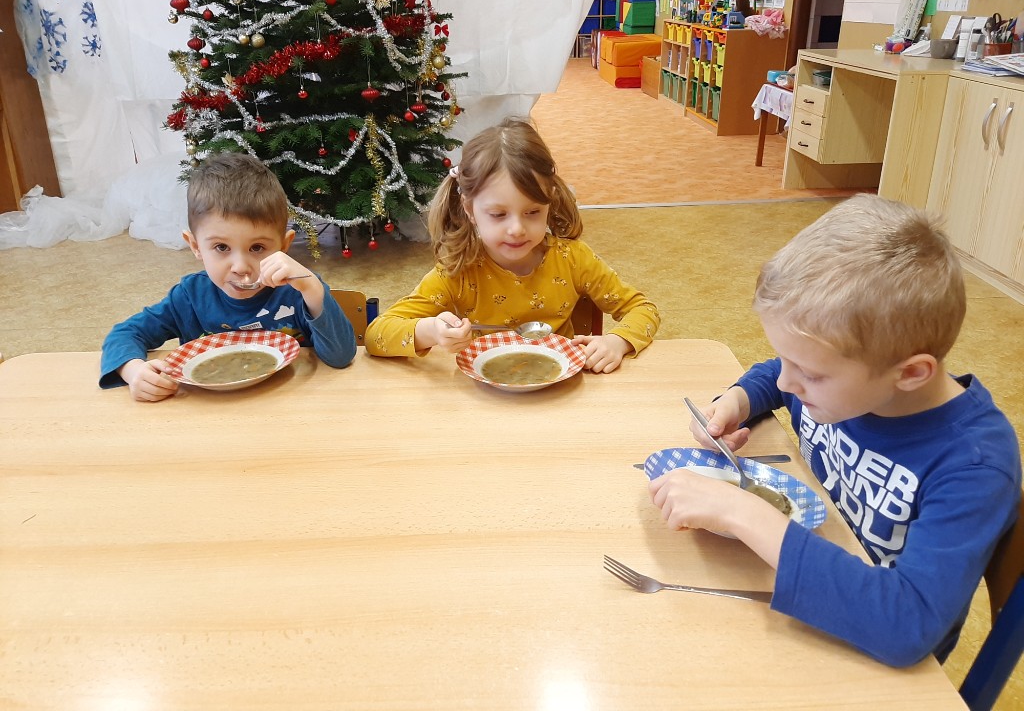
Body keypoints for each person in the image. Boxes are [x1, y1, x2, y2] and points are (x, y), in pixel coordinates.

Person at [649, 194, 1021, 667]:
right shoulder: (854, 386)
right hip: (806, 580)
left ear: (910, 373)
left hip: (872, 650)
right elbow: (776, 378)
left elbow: (907, 624)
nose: (788, 382)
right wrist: (736, 402)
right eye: (787, 360)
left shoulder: (974, 464)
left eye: (809, 373)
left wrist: (742, 512)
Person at [364, 117, 659, 371]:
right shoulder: (458, 269)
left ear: (549, 202)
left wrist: (617, 341)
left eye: (533, 212)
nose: (517, 229)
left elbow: (643, 309)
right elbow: (376, 335)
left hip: (561, 392)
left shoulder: (573, 258)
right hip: (486, 397)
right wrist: (431, 331)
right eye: (498, 214)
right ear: (470, 209)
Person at [100, 152, 357, 401]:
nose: (240, 267)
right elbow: (124, 334)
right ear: (195, 246)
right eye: (221, 247)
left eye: (257, 248)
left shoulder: (297, 290)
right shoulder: (190, 297)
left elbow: (341, 356)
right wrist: (134, 370)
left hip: (289, 405)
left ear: (284, 245)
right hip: (209, 415)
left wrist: (313, 289)